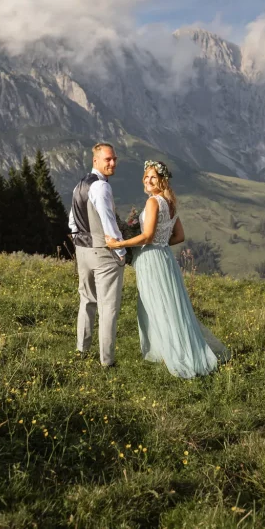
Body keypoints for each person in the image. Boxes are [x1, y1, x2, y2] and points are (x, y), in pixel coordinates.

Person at [105, 160, 230, 378]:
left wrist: (119, 244)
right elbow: (179, 236)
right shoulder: (170, 203)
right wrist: (161, 243)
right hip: (165, 257)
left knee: (156, 306)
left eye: (153, 177)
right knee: (170, 304)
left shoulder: (153, 202)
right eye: (146, 176)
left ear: (162, 180)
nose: (148, 180)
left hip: (152, 259)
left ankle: (171, 352)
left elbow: (147, 236)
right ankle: (175, 348)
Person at [69, 143, 126, 367]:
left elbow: (72, 220)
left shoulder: (80, 185)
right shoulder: (101, 187)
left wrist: (78, 241)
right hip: (103, 252)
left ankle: (81, 350)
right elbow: (107, 221)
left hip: (82, 251)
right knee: (108, 308)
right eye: (107, 159)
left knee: (87, 300)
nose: (112, 163)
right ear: (96, 161)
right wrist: (120, 250)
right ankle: (107, 361)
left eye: (114, 159)